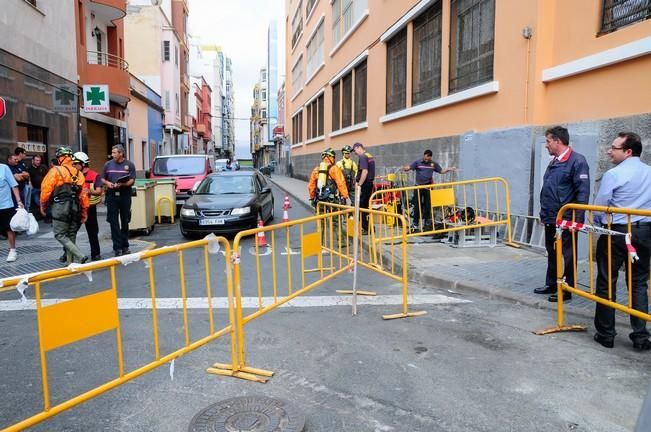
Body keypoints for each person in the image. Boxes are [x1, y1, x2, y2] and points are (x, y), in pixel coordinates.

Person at [592, 132, 651, 351]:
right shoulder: (649, 173)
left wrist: (599, 223)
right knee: (639, 282)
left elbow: (600, 205)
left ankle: (606, 333)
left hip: (616, 232)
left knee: (607, 279)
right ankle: (641, 336)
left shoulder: (614, 174)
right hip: (644, 231)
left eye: (614, 147)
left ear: (628, 151)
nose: (609, 150)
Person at [535, 126, 590, 302]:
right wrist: (543, 214)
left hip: (567, 220)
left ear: (558, 141)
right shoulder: (555, 161)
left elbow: (582, 193)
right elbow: (549, 190)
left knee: (567, 254)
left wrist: (577, 221)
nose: (546, 145)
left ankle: (566, 289)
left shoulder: (577, 161)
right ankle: (552, 283)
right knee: (551, 251)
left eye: (548, 141)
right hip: (552, 217)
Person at [40, 146, 89, 264]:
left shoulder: (55, 171)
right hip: (75, 207)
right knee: (71, 234)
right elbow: (83, 196)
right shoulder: (79, 173)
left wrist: (43, 205)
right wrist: (84, 212)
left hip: (60, 206)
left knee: (60, 234)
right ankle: (69, 263)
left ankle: (80, 255)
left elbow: (46, 190)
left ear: (60, 158)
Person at [402, 149, 456, 232]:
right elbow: (409, 167)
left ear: (430, 157)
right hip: (418, 187)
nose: (426, 159)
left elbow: (441, 171)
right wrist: (405, 168)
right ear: (424, 155)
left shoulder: (433, 164)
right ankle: (415, 223)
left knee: (427, 205)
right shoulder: (417, 162)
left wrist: (449, 169)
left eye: (428, 158)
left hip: (428, 187)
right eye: (425, 157)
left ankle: (426, 223)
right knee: (417, 205)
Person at [102, 144, 136, 257]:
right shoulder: (108, 164)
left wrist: (123, 183)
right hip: (112, 195)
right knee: (113, 222)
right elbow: (103, 178)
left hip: (125, 194)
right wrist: (108, 183)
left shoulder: (129, 165)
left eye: (114, 153)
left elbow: (132, 180)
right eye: (112, 153)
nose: (112, 155)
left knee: (125, 220)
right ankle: (117, 247)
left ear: (121, 153)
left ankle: (125, 246)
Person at [74, 151, 103, 261]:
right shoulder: (74, 175)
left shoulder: (95, 175)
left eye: (75, 163)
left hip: (90, 209)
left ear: (82, 164)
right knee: (71, 232)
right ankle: (67, 253)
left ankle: (96, 254)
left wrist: (89, 191)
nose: (73, 165)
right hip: (77, 208)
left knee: (92, 232)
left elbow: (99, 191)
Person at [1, 160, 24, 262]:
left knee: (9, 229)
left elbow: (13, 185)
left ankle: (13, 250)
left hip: (6, 205)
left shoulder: (4, 168)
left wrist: (19, 201)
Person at [352, 142, 375, 234]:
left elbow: (364, 172)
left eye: (354, 150)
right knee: (365, 206)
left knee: (361, 207)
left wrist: (359, 184)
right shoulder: (369, 156)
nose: (355, 153)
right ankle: (369, 228)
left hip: (365, 185)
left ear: (359, 147)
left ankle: (367, 229)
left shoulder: (362, 156)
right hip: (369, 184)